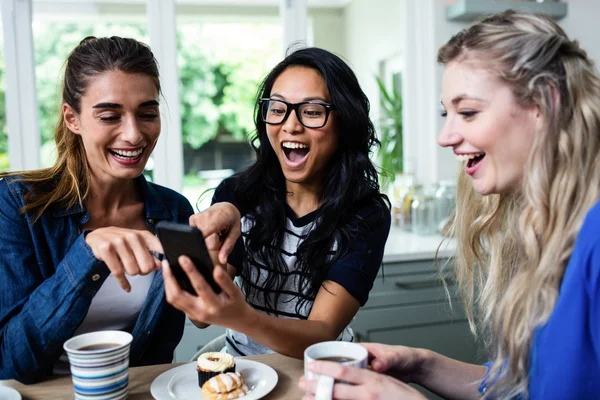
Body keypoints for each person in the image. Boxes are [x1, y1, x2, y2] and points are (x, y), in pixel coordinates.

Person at [299, 10, 600, 400]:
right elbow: (526, 387)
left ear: (545, 102)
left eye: (469, 112)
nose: (446, 136)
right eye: (447, 113)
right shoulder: (550, 231)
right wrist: (422, 365)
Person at [0, 36, 240, 383]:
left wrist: (226, 242)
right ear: (73, 119)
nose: (133, 134)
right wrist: (86, 255)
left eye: (147, 113)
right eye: (110, 115)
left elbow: (203, 314)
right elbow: (10, 362)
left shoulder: (173, 210)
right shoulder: (16, 204)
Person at [163, 47, 392, 359]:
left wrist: (242, 317)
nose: (290, 125)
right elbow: (201, 318)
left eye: (312, 111)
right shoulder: (237, 195)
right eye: (277, 108)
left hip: (322, 365)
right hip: (243, 362)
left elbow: (322, 333)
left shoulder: (365, 214)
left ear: (345, 123)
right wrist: (201, 261)